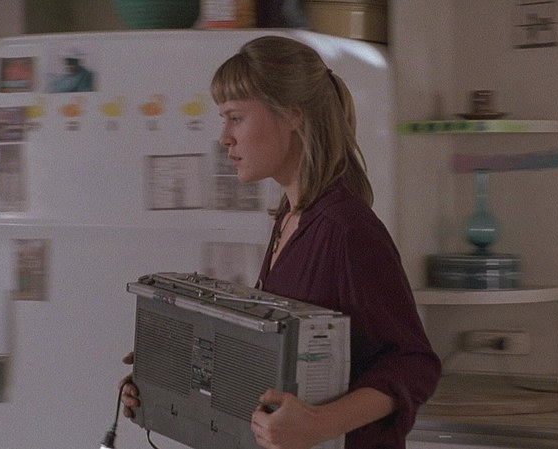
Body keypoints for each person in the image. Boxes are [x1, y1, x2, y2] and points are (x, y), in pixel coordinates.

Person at [120, 35, 441, 449]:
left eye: (235, 118)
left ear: (291, 116)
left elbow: (414, 364)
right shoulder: (290, 219)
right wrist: (166, 372)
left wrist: (321, 422)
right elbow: (276, 356)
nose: (224, 138)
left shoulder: (347, 231)